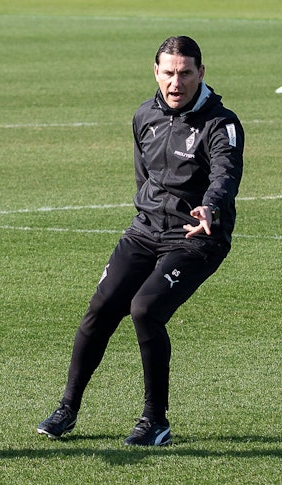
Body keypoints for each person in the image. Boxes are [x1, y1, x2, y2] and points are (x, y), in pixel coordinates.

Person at [36, 36, 244, 446]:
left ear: (201, 73)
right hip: (146, 230)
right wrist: (147, 217)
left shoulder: (222, 124)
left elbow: (225, 175)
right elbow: (144, 178)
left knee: (145, 310)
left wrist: (210, 208)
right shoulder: (144, 116)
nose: (176, 82)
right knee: (102, 307)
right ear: (156, 72)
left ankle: (155, 421)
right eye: (168, 72)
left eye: (185, 73)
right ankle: (67, 408)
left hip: (196, 238)